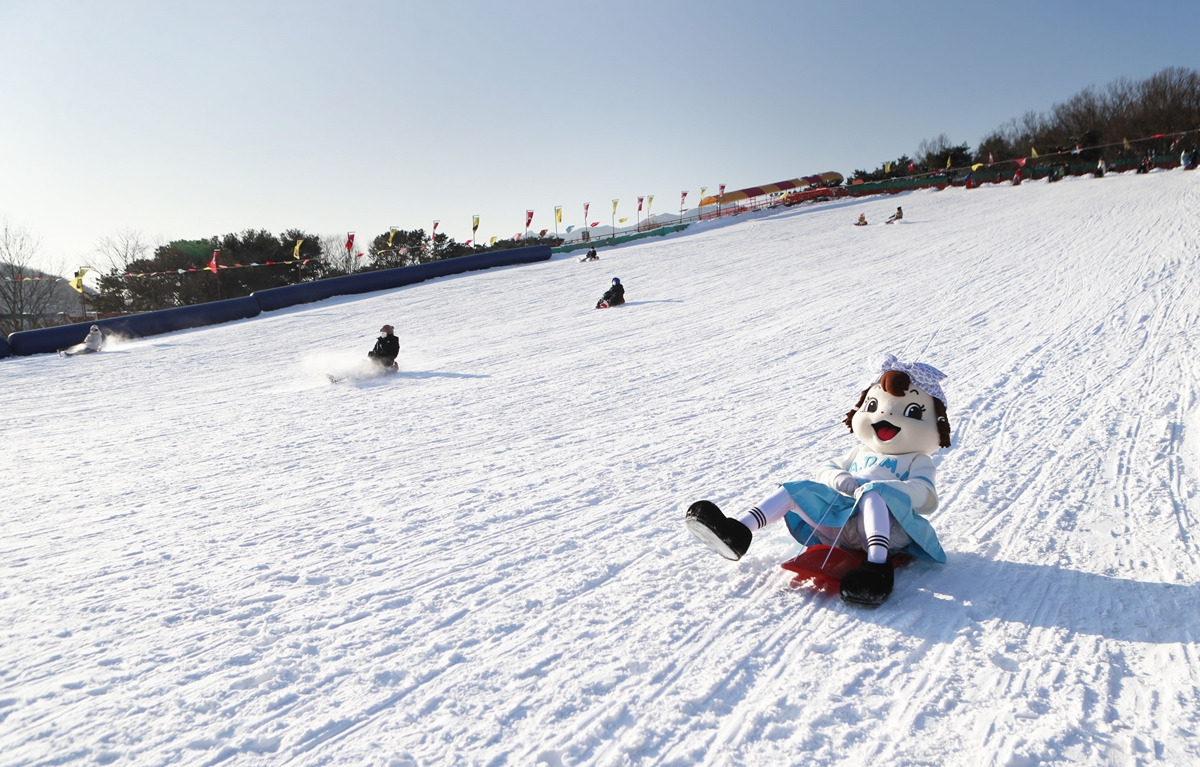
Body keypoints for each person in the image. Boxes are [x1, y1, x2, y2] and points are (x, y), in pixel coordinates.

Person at [684, 356, 952, 606]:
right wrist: (840, 477)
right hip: (842, 526)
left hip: (892, 531)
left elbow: (923, 494)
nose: (884, 418)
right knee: (796, 489)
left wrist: (880, 488)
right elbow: (826, 469)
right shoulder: (861, 451)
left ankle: (876, 568)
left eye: (913, 412)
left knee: (874, 495)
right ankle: (737, 532)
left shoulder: (918, 460)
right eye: (872, 407)